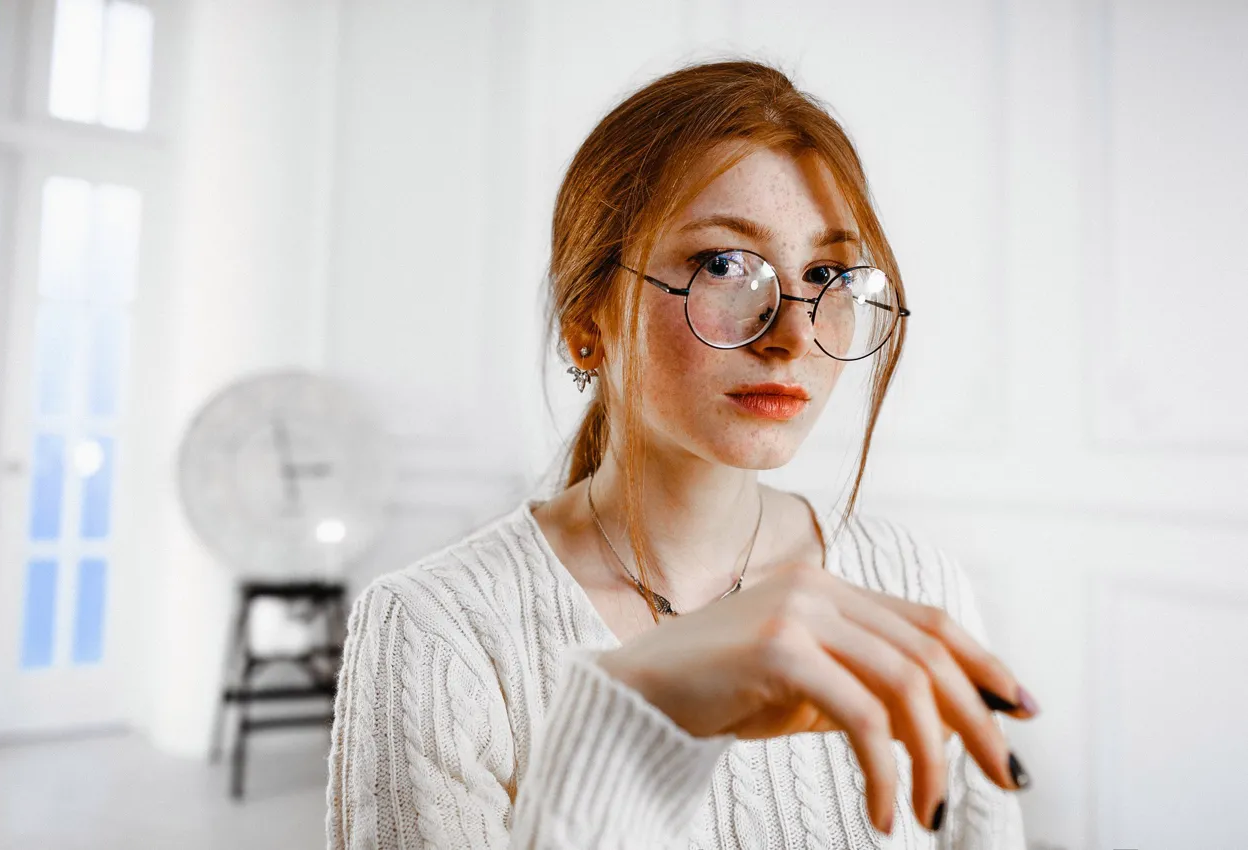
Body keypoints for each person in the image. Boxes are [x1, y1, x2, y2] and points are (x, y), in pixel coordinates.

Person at [326, 58, 1038, 849]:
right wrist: (625, 724)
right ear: (585, 319)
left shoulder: (915, 584)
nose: (794, 335)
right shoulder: (434, 634)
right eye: (724, 265)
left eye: (828, 273)